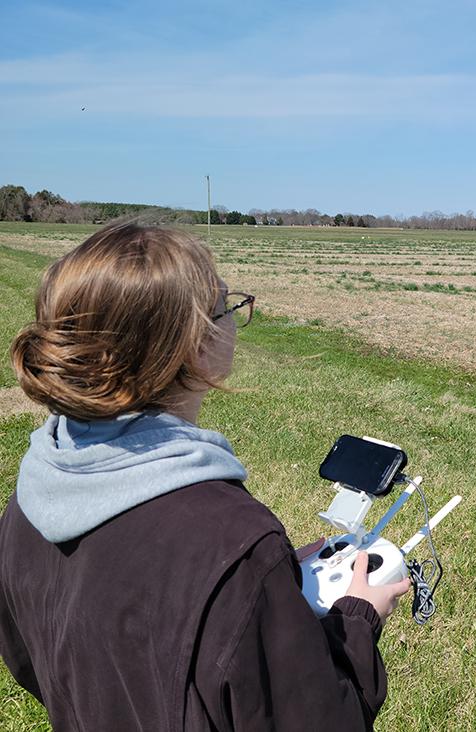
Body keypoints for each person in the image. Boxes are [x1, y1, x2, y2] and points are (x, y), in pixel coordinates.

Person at [0, 222, 410, 731]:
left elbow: (28, 659)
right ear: (194, 348)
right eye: (227, 306)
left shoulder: (32, 493)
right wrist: (357, 618)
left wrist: (269, 584)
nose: (237, 317)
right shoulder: (232, 540)